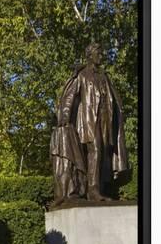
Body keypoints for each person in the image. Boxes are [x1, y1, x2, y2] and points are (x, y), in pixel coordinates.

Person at [51, 43, 128, 205]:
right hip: (88, 122)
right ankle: (93, 191)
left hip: (105, 121)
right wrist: (64, 116)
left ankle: (98, 188)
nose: (102, 55)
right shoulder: (82, 75)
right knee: (96, 151)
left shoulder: (104, 76)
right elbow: (70, 97)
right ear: (90, 55)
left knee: (104, 154)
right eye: (99, 53)